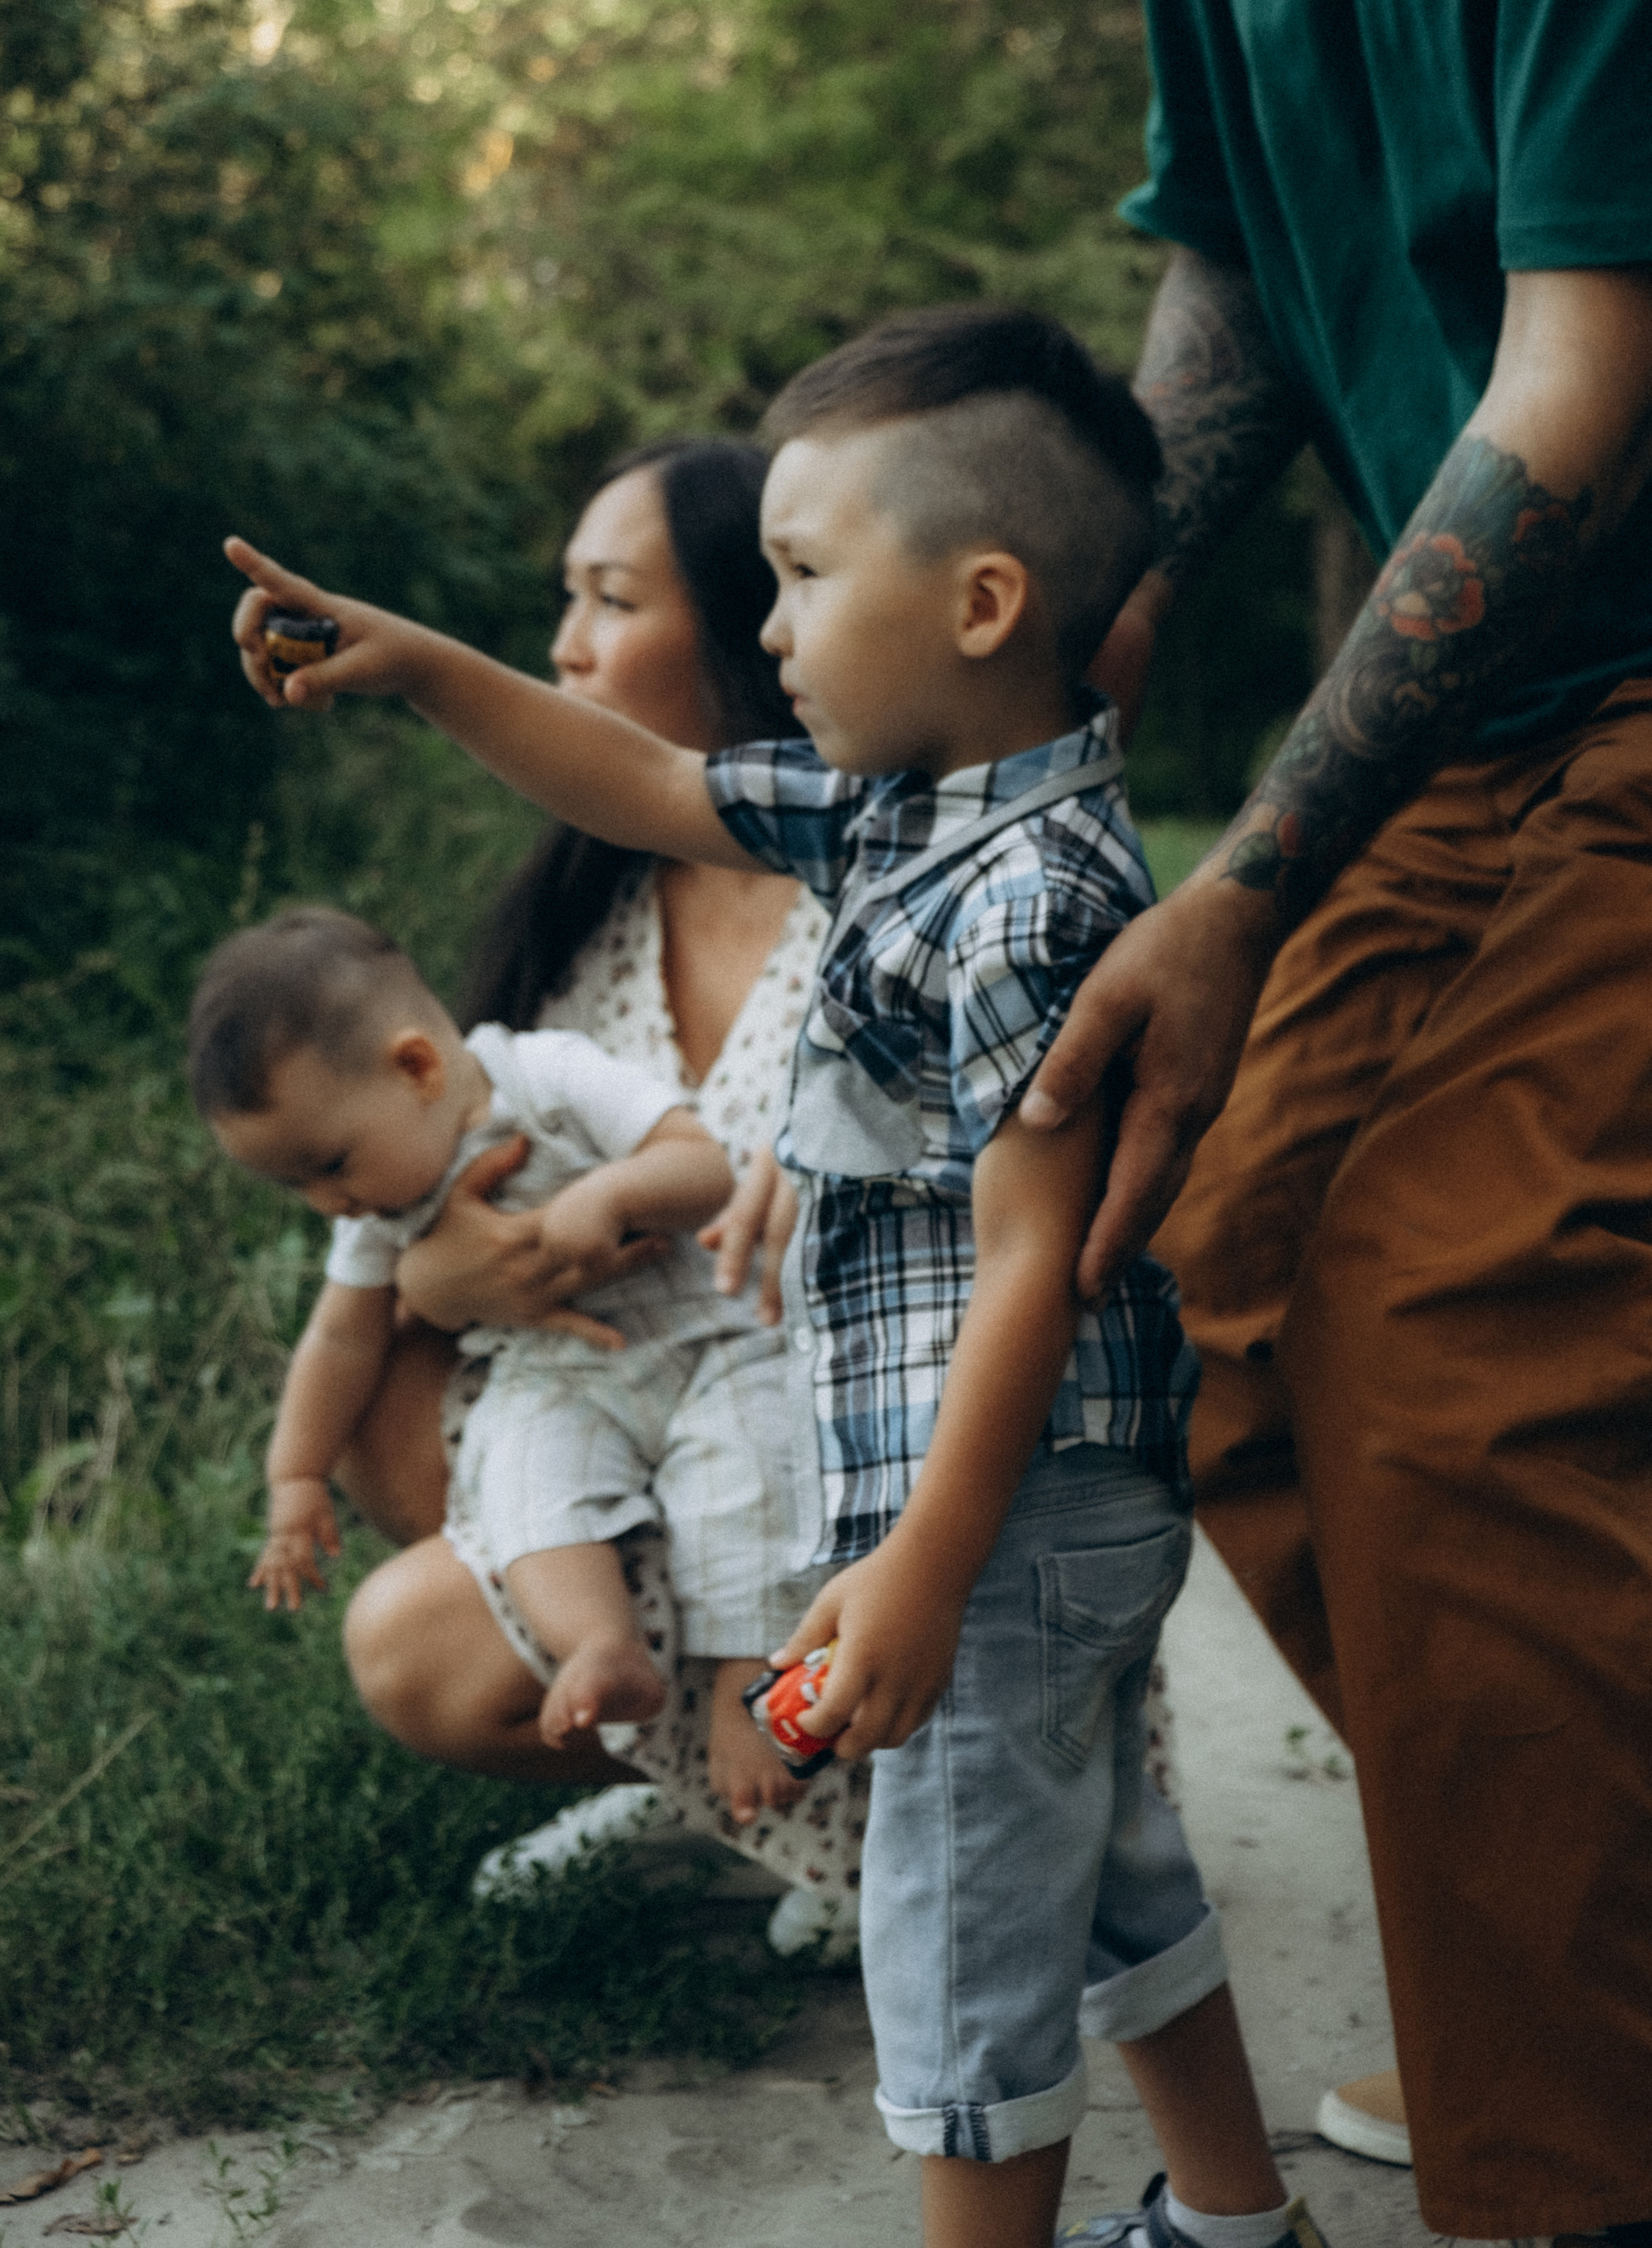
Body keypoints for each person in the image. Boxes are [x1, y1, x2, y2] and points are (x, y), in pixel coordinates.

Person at [225, 305, 1332, 2248]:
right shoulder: (908, 816)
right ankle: (1240, 2224)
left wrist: (922, 1555)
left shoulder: (1035, 902)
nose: (779, 630)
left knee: (960, 1932)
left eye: (804, 579)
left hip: (1002, 1498)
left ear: (983, 601)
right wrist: (419, 668)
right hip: (1012, 1502)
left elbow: (1034, 1273)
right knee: (1103, 1872)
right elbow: (638, 782)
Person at [1007, 0, 1652, 2241]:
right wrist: (1096, 579)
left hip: (1630, 668)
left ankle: (1572, 2156)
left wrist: (1247, 878)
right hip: (1478, 710)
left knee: (1451, 1328)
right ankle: (1579, 1954)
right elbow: (1242, 269)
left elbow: (1580, 363)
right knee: (1205, 1284)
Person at [289, 439, 869, 1944]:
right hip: (628, 1415)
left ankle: (846, 1817)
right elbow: (418, 1186)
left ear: (760, 620)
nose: (565, 649)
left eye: (611, 600)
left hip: (849, 1456)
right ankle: (718, 1803)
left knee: (425, 1632)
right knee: (384, 1420)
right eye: (566, 599)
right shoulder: (586, 901)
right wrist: (439, 1284)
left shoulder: (877, 880)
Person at [186, 904, 789, 1750]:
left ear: (418, 1067)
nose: (330, 1203)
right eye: (297, 1186)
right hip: (559, 1380)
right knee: (524, 1491)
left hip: (706, 1339)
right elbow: (340, 1341)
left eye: (329, 1165)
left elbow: (704, 1168)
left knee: (751, 1475)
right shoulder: (374, 1214)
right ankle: (599, 1646)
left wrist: (611, 1193)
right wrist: (295, 1477)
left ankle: (745, 1689)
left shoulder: (546, 1077)